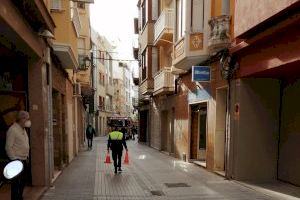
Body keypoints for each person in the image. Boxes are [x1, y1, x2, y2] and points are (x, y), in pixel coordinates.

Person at [5, 110, 31, 200]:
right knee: (16, 183)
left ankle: (19, 197)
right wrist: (14, 160)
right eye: (27, 119)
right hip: (16, 161)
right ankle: (15, 198)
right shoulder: (13, 130)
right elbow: (8, 147)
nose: (28, 121)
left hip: (24, 159)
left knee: (22, 182)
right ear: (22, 119)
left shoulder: (23, 129)